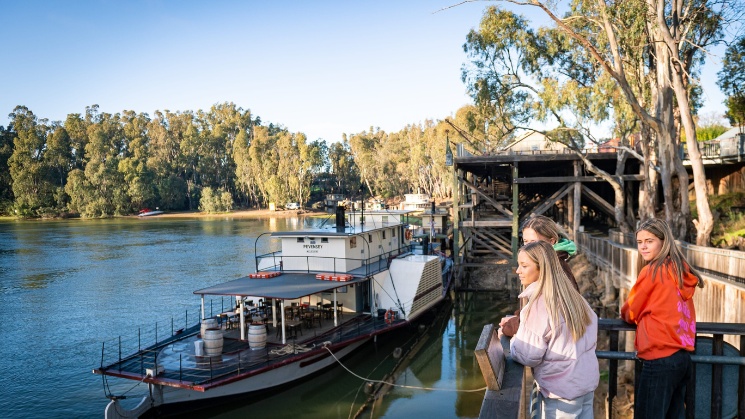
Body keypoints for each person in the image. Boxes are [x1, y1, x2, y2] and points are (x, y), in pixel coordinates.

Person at [620, 218, 704, 419]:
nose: (643, 247)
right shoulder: (679, 270)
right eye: (639, 242)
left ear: (663, 241)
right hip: (681, 358)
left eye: (649, 241)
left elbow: (629, 312)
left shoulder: (653, 271)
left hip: (659, 357)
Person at [506, 241, 599, 418]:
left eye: (524, 266)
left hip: (561, 392)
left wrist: (513, 341)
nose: (518, 271)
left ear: (542, 269)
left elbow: (529, 354)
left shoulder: (541, 304)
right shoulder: (572, 296)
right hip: (584, 385)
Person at [500, 215, 579, 337]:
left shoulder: (552, 267)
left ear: (551, 241)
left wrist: (507, 328)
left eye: (533, 242)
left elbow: (542, 319)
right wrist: (517, 317)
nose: (527, 247)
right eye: (525, 241)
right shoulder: (547, 261)